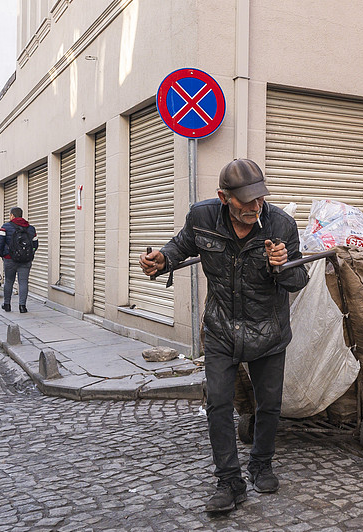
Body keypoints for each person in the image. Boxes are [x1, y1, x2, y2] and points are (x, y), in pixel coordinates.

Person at [139, 159, 308, 513]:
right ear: (223, 197)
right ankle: (229, 481)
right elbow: (180, 246)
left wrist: (282, 266)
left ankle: (261, 463)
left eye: (259, 199)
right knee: (217, 403)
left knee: (269, 404)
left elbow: (298, 280)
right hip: (221, 328)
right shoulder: (202, 218)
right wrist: (162, 260)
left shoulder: (281, 224)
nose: (254, 207)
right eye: (246, 201)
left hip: (268, 329)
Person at [0, 207, 38, 313]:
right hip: (25, 260)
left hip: (9, 259)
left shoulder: (5, 227)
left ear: (12, 216)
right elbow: (35, 244)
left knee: (9, 281)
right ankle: (22, 306)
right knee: (23, 282)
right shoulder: (31, 229)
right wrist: (28, 254)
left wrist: (4, 255)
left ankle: (7, 305)